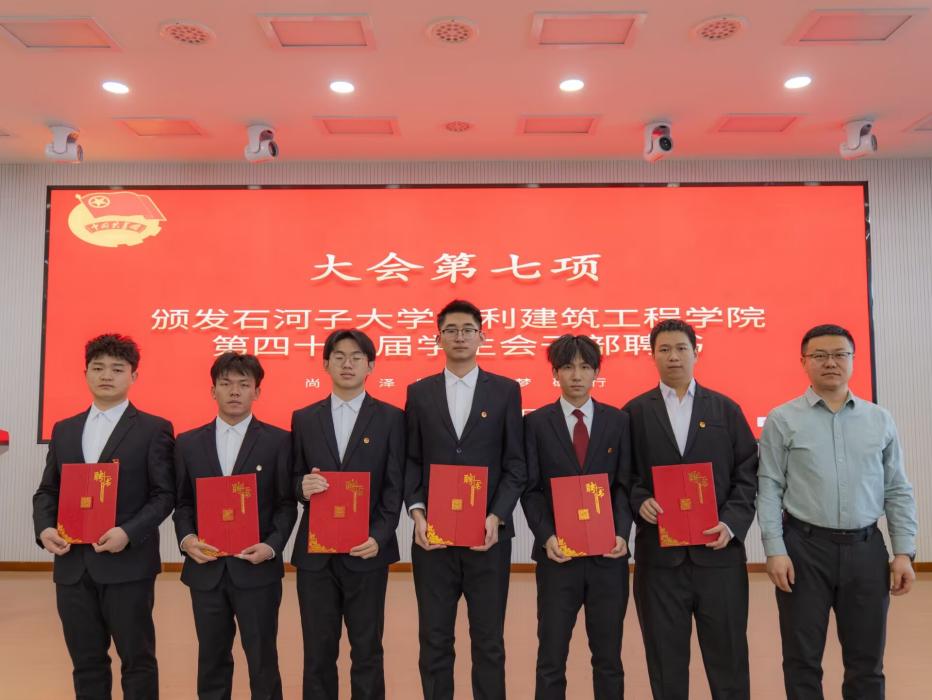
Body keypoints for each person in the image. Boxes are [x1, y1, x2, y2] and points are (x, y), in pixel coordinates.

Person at [757, 323, 918, 700]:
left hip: (866, 550)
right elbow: (769, 487)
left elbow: (897, 488)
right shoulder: (782, 418)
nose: (830, 362)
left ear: (853, 360)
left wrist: (903, 552)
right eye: (820, 355)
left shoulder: (879, 419)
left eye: (839, 355)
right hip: (804, 550)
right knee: (802, 659)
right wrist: (774, 549)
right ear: (804, 362)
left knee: (867, 661)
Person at [33, 333, 175, 699]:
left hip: (128, 564)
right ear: (85, 374)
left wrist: (128, 532)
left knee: (137, 660)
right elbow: (48, 490)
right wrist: (45, 528)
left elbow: (164, 495)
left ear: (134, 376)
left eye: (117, 368)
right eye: (98, 368)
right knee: (86, 662)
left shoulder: (154, 428)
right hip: (72, 565)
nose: (106, 375)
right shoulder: (64, 429)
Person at [624, 318, 758, 700]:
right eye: (664, 349)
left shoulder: (725, 409)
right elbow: (624, 475)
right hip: (659, 560)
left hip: (719, 556)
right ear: (652, 356)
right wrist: (639, 499)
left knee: (729, 659)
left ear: (695, 353)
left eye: (681, 348)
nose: (673, 357)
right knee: (665, 662)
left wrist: (731, 523)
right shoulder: (634, 413)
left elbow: (748, 473)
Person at [404, 299, 526, 700]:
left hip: (487, 540)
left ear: (481, 337)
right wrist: (417, 513)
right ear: (438, 337)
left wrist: (497, 516)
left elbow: (515, 464)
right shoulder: (419, 393)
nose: (460, 337)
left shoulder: (505, 391)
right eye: (451, 330)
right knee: (434, 640)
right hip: (432, 540)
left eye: (468, 329)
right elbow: (412, 460)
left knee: (488, 641)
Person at [173, 352, 296, 700]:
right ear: (213, 390)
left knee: (262, 658)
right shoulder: (188, 442)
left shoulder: (278, 441)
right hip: (206, 568)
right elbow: (182, 503)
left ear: (257, 391)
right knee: (211, 658)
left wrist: (272, 546)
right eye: (226, 384)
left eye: (244, 384)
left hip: (257, 568)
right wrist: (187, 539)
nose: (235, 391)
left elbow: (286, 504)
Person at [291, 329, 405, 700]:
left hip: (367, 550)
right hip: (316, 555)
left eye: (356, 357)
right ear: (325, 364)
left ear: (370, 366)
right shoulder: (304, 418)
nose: (347, 364)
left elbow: (394, 486)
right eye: (338, 356)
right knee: (317, 652)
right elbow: (292, 478)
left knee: (367, 650)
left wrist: (380, 536)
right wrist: (302, 486)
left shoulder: (391, 418)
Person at [521, 334, 633, 699]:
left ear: (597, 372)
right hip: (558, 558)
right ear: (555, 373)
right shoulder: (536, 423)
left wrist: (622, 533)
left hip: (607, 558)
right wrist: (546, 536)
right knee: (551, 657)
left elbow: (624, 485)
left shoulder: (618, 421)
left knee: (608, 658)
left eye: (585, 367)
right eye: (568, 367)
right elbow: (531, 489)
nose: (577, 375)